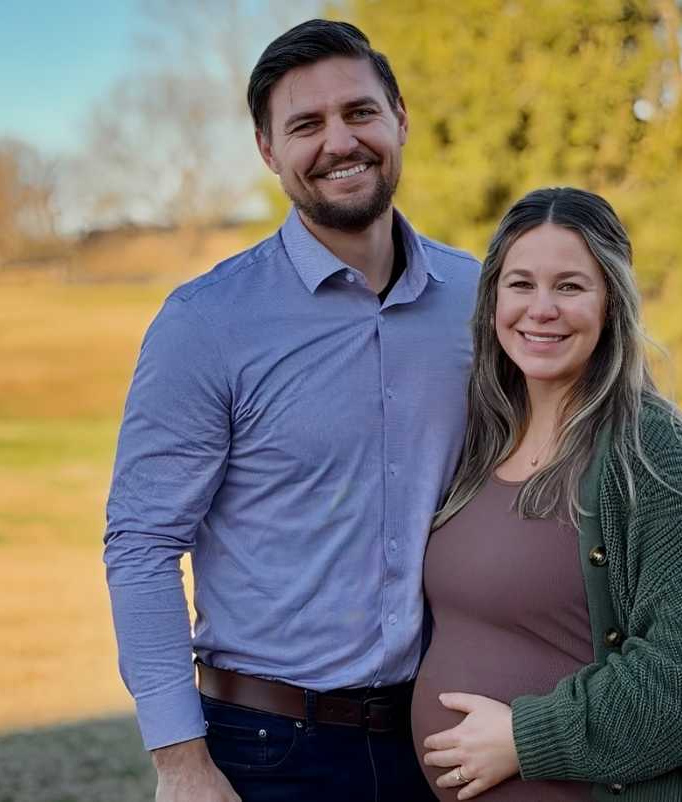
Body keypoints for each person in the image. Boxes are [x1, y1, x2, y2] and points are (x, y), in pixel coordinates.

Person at [103, 19, 479, 802]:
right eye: (305, 125)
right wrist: (180, 760)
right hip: (266, 748)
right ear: (269, 151)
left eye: (360, 113)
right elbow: (142, 544)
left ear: (400, 118)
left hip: (441, 734)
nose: (340, 142)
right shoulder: (206, 323)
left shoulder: (477, 300)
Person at [411, 187, 682, 801]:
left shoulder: (651, 451)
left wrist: (524, 736)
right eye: (520, 285)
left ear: (611, 305)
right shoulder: (481, 437)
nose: (541, 309)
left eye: (569, 286)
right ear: (492, 301)